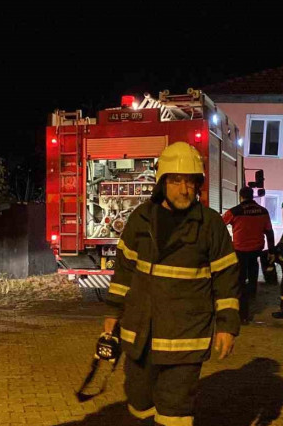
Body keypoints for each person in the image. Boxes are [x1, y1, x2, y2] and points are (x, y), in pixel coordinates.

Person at [103, 142, 240, 426]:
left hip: (185, 338)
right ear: (162, 182)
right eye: (176, 180)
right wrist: (112, 312)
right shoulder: (141, 219)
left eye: (190, 181)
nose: (184, 189)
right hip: (141, 334)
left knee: (175, 411)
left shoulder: (210, 225)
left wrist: (227, 326)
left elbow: (226, 279)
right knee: (139, 401)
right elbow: (124, 271)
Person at [222, 187, 275, 324]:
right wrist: (272, 250)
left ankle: (242, 314)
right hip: (255, 252)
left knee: (240, 282)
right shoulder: (263, 212)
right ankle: (251, 305)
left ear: (241, 197)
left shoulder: (234, 211)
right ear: (252, 196)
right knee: (252, 280)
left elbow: (219, 225)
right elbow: (269, 232)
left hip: (239, 252)